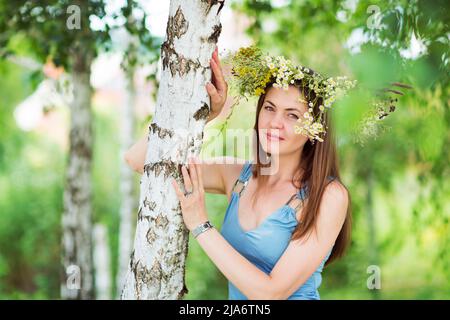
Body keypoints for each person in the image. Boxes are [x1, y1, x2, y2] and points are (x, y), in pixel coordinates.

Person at [125, 46, 351, 300]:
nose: (275, 122)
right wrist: (202, 114)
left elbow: (270, 293)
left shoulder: (328, 195)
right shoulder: (237, 176)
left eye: (292, 115)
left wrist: (201, 224)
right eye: (269, 108)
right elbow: (139, 160)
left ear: (314, 130)